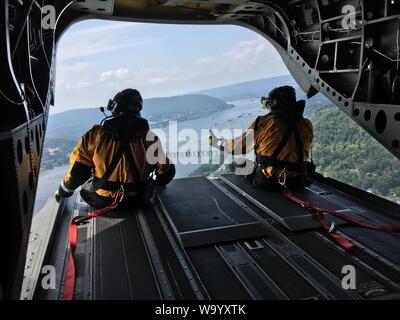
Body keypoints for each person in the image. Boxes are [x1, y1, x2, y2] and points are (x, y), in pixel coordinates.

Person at [55, 89, 175, 208]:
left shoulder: (95, 135)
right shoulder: (150, 138)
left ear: (115, 109)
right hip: (136, 200)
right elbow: (166, 173)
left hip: (102, 201)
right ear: (137, 110)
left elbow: (78, 173)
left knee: (88, 184)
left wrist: (63, 190)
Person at [210, 85, 314, 191]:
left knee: (236, 164)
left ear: (274, 104)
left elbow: (238, 147)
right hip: (298, 180)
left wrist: (218, 143)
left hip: (270, 181)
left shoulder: (264, 122)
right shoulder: (307, 124)